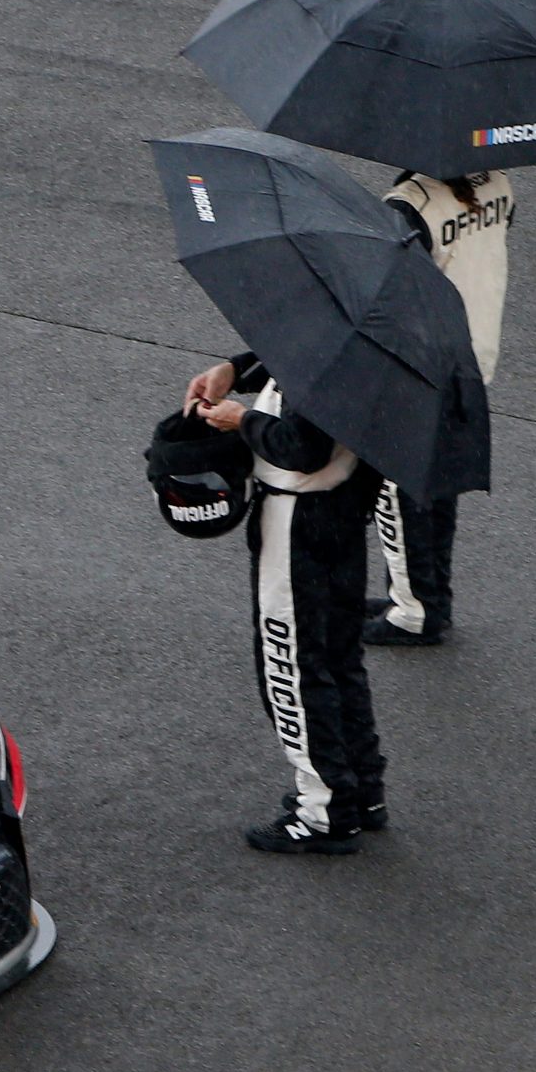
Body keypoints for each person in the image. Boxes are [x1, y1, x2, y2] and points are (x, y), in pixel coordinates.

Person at [187, 354, 386, 854]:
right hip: (341, 511)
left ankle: (324, 812)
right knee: (339, 661)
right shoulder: (361, 342)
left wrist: (242, 419)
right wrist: (235, 369)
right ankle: (358, 791)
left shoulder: (323, 354)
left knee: (291, 669)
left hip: (298, 522)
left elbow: (303, 446)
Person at [367, 168, 514, 646]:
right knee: (438, 485)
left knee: (397, 487)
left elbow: (390, 287)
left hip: (423, 365)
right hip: (473, 356)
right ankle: (431, 597)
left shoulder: (412, 204)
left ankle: (413, 611)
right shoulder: (498, 182)